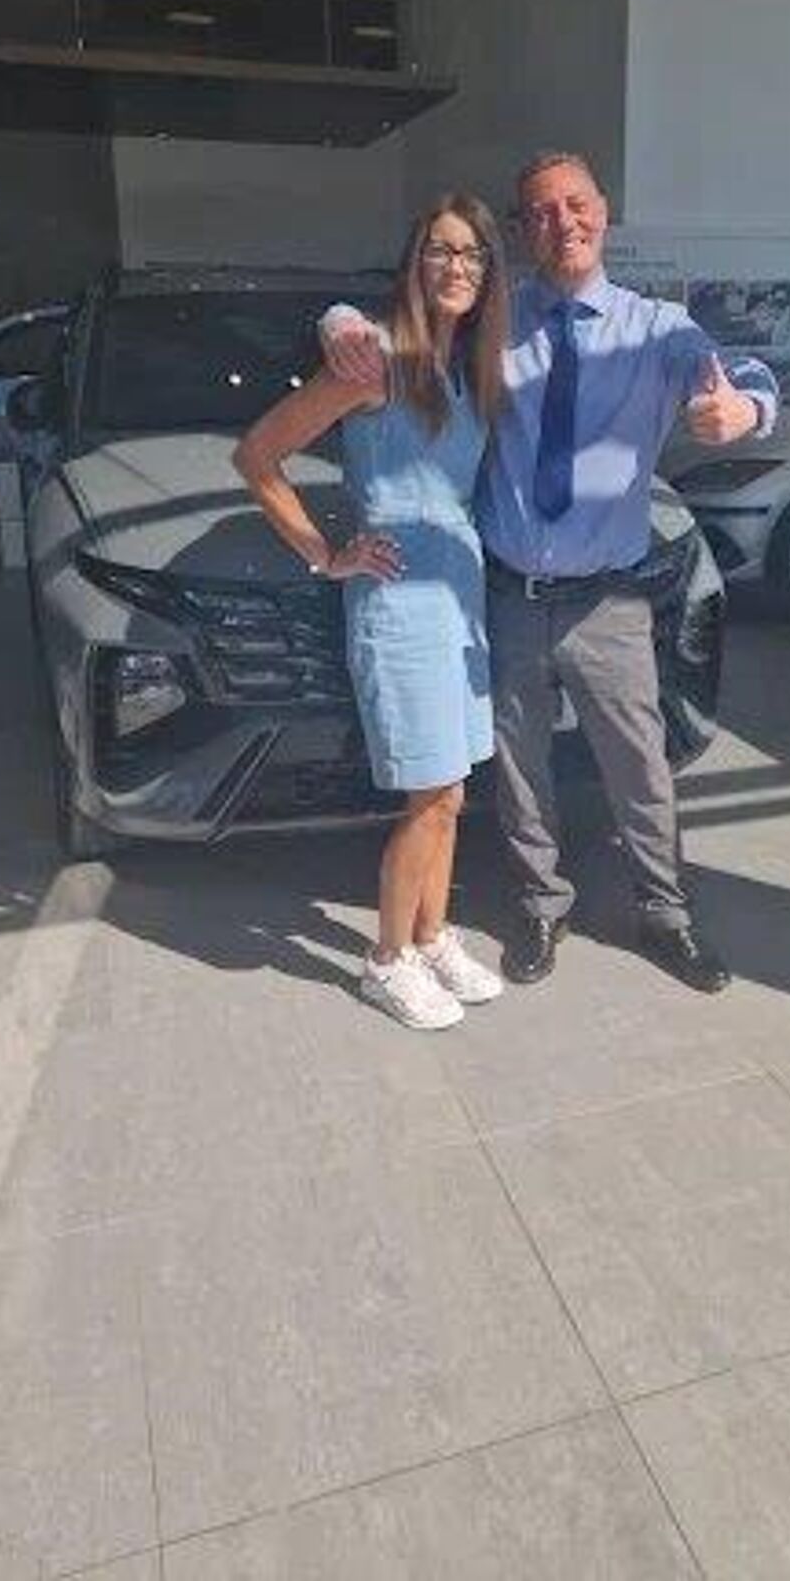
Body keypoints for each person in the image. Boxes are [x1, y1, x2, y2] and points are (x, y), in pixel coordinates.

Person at [322, 151, 780, 995]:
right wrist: (339, 321)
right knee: (520, 769)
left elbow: (743, 372)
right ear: (522, 231)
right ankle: (540, 906)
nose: (561, 221)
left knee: (639, 769)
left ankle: (666, 914)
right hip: (505, 596)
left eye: (575, 204)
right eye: (539, 212)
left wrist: (746, 409)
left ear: (602, 211)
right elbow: (404, 318)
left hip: (607, 602)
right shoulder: (498, 324)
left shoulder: (658, 327)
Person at [233, 194, 511, 1030]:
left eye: (473, 254)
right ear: (415, 263)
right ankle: (386, 961)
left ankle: (431, 936)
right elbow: (258, 454)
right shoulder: (374, 360)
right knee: (427, 797)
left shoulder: (467, 368)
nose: (457, 266)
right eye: (442, 250)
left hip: (460, 599)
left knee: (452, 792)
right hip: (399, 603)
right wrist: (325, 553)